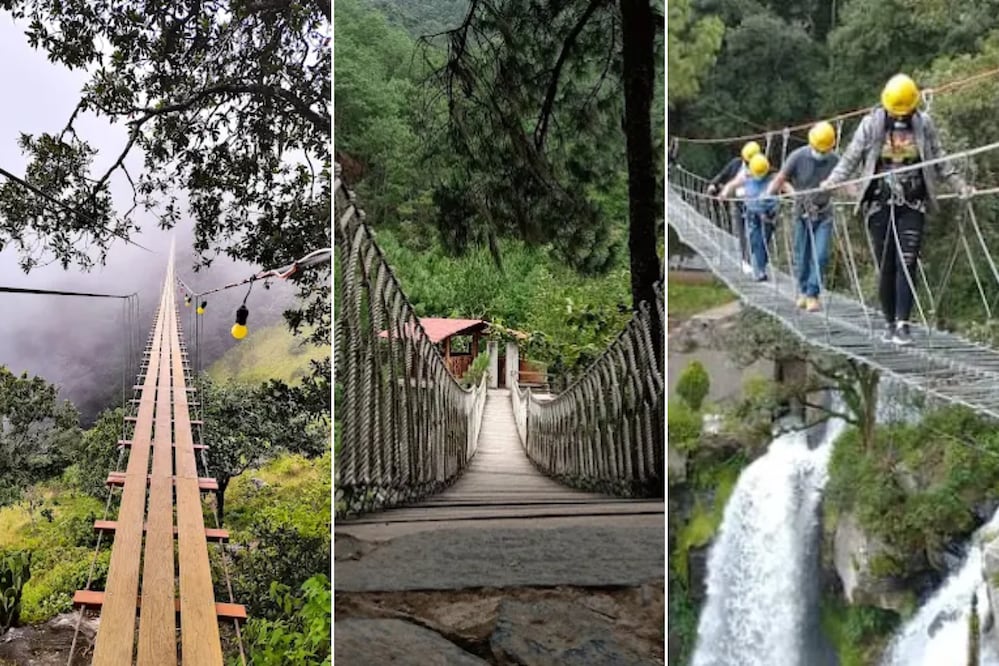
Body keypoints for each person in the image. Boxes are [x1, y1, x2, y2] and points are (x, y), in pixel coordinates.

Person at [820, 73, 973, 345]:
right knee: (887, 264)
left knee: (908, 261)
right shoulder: (871, 124)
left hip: (912, 203)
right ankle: (889, 323)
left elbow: (939, 158)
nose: (902, 117)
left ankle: (903, 324)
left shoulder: (923, 124)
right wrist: (831, 182)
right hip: (879, 203)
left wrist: (960, 185)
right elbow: (851, 158)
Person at [766, 121, 840, 312]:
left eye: (825, 150)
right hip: (801, 212)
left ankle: (813, 295)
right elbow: (781, 180)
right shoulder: (798, 156)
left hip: (824, 213)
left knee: (821, 254)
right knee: (802, 255)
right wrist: (768, 197)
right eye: (818, 149)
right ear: (812, 144)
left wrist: (859, 193)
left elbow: (845, 183)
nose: (822, 153)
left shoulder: (834, 160)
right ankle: (803, 291)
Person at [720, 153, 779, 281]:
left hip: (768, 215)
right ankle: (760, 270)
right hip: (752, 214)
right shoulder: (746, 176)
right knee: (754, 241)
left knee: (763, 242)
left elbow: (786, 186)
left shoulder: (773, 177)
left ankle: (761, 269)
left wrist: (797, 196)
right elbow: (732, 184)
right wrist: (724, 193)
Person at [708, 141, 762, 270]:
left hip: (756, 205)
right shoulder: (736, 163)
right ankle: (746, 261)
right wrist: (713, 184)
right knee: (742, 232)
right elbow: (723, 175)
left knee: (755, 234)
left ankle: (757, 262)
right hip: (738, 203)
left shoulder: (761, 165)